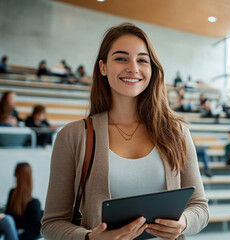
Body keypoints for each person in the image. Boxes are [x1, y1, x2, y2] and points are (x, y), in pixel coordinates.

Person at [41, 23, 209, 240]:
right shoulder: (74, 136)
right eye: (121, 58)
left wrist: (183, 222)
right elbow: (52, 224)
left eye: (142, 60)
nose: (133, 68)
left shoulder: (176, 132)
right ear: (102, 67)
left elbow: (200, 208)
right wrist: (90, 238)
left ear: (151, 69)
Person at [5, 162, 42, 239]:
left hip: (22, 237)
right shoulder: (12, 194)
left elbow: (35, 230)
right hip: (12, 233)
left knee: (7, 220)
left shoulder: (34, 204)